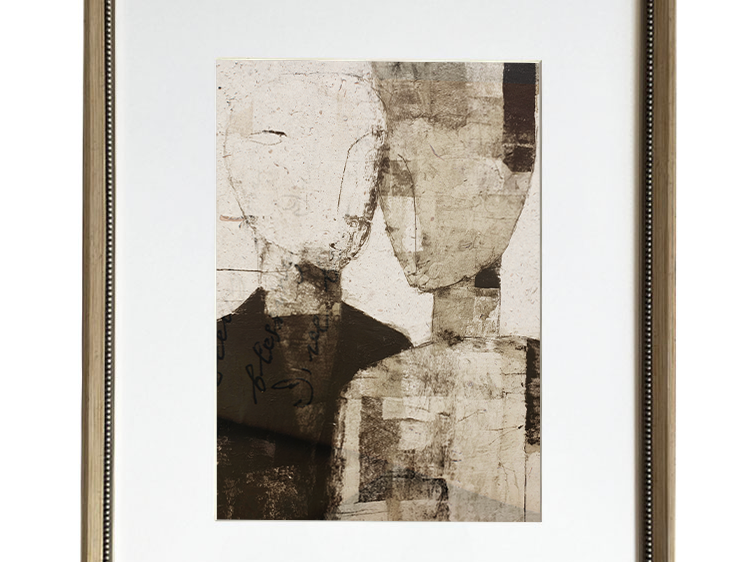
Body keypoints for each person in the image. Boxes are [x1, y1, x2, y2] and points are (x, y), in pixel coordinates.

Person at [328, 61, 542, 522]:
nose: (398, 207)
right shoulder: (374, 386)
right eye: (389, 172)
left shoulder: (549, 384)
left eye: (437, 167)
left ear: (516, 179)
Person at [216, 61, 410, 520]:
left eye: (370, 163)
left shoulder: (393, 355)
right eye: (325, 161)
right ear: (253, 183)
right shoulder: (209, 357)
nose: (359, 192)